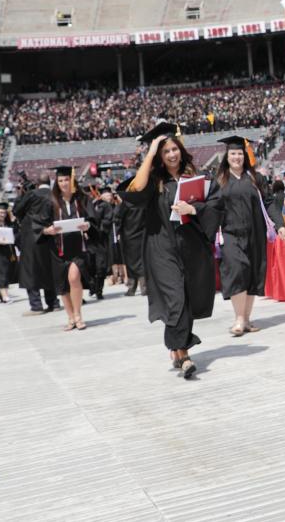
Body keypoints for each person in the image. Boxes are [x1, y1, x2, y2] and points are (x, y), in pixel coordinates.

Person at [121, 122, 221, 379]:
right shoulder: (154, 181)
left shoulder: (193, 177)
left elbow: (214, 204)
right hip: (161, 248)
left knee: (184, 299)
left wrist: (194, 209)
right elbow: (135, 190)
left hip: (190, 247)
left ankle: (176, 349)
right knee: (175, 298)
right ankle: (185, 355)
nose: (172, 155)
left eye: (174, 149)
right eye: (166, 152)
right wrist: (150, 152)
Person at [211, 135, 285, 336]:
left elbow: (269, 202)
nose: (236, 157)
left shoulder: (255, 178)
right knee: (237, 270)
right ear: (226, 156)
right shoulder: (219, 180)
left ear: (245, 156)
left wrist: (280, 225)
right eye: (233, 153)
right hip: (230, 234)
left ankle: (246, 319)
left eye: (239, 154)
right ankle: (239, 319)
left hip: (255, 233)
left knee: (252, 274)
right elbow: (210, 207)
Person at [41, 166, 94, 331]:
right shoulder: (51, 201)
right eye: (61, 180)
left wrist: (88, 225)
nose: (64, 183)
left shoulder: (82, 199)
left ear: (72, 180)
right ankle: (70, 317)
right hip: (58, 250)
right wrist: (47, 230)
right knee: (63, 285)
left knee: (73, 278)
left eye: (66, 179)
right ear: (57, 182)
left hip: (78, 248)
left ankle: (78, 315)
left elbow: (93, 219)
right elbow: (40, 225)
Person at [13, 173, 60, 314]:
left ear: (37, 182)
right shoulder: (54, 195)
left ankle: (36, 306)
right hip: (50, 236)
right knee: (48, 269)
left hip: (31, 237)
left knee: (30, 270)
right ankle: (53, 303)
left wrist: (21, 194)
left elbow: (17, 211)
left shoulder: (32, 194)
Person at [116, 177, 147, 296]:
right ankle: (144, 287)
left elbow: (118, 219)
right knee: (142, 261)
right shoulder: (142, 201)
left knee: (130, 263)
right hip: (142, 235)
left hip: (128, 236)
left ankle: (132, 288)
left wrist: (118, 233)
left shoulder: (125, 204)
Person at [87, 185, 115, 299]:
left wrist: (98, 229)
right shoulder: (91, 204)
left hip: (101, 239)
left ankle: (98, 289)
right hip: (89, 239)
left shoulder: (106, 206)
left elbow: (107, 221)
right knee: (90, 265)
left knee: (101, 266)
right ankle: (93, 287)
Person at [0, 202, 18, 303]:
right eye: (0, 212)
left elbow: (16, 235)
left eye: (4, 213)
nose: (2, 214)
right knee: (2, 274)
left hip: (9, 253)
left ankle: (2, 293)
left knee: (8, 274)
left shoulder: (9, 224)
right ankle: (5, 296)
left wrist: (14, 222)